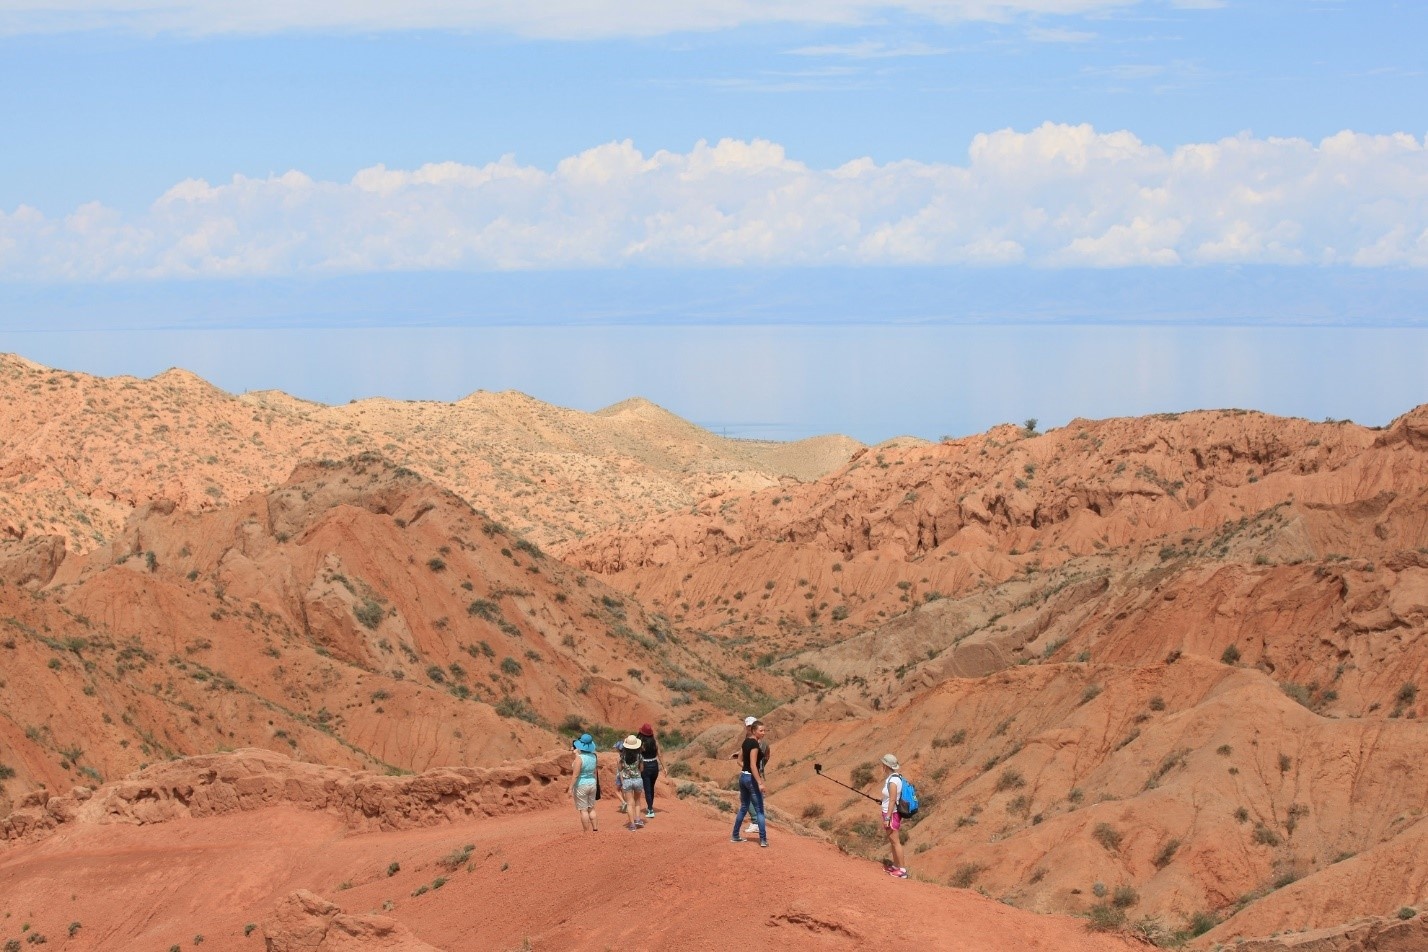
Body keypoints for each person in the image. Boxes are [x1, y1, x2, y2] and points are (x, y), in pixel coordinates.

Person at [731, 720, 768, 847]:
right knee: (760, 810)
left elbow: (739, 761)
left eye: (764, 730)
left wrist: (746, 769)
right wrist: (760, 782)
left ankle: (735, 835)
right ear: (754, 731)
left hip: (743, 777)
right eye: (761, 731)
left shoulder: (746, 741)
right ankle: (763, 840)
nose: (763, 733)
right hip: (751, 779)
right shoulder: (754, 744)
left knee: (744, 807)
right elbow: (753, 765)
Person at [880, 753, 908, 879]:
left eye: (883, 764)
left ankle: (902, 870)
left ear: (886, 766)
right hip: (889, 811)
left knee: (896, 841)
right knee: (892, 841)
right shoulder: (894, 778)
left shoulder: (893, 781)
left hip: (892, 814)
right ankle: (896, 866)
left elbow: (892, 800)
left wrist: (888, 817)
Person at [570, 733, 599, 832]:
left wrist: (570, 788)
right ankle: (595, 829)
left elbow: (575, 775)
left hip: (581, 785)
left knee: (583, 810)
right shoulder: (594, 756)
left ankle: (586, 833)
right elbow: (594, 771)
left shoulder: (579, 758)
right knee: (591, 808)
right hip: (592, 783)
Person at [617, 735, 646, 831]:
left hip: (627, 780)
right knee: (637, 801)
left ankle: (632, 825)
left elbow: (620, 769)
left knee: (629, 803)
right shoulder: (640, 756)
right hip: (637, 779)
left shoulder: (622, 756)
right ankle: (638, 819)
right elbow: (641, 769)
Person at [638, 723, 660, 818]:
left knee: (647, 789)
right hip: (655, 766)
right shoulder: (655, 742)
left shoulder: (641, 743)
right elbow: (660, 754)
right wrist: (664, 767)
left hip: (645, 766)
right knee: (651, 788)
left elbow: (638, 755)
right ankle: (650, 806)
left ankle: (650, 810)